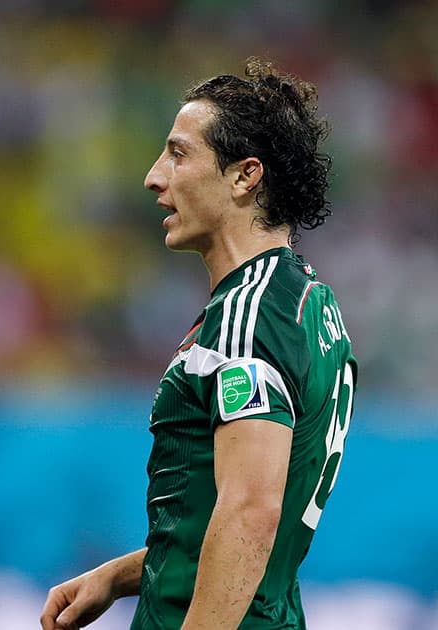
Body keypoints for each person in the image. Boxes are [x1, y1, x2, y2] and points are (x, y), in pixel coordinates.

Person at [41, 58, 357, 629]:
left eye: (179, 153)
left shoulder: (248, 314)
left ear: (244, 176)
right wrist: (119, 576)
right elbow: (235, 511)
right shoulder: (307, 303)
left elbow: (250, 513)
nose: (154, 176)